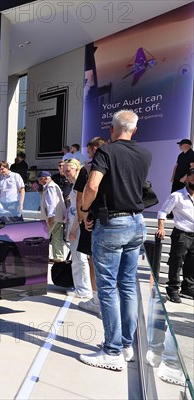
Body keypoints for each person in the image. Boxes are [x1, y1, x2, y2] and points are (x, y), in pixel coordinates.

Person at [79, 109, 152, 371]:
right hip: (137, 223)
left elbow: (93, 185)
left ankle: (111, 352)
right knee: (128, 286)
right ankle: (125, 345)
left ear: (112, 129)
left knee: (108, 287)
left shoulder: (106, 151)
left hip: (112, 224)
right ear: (134, 130)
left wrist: (86, 210)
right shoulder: (145, 154)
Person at [73, 136, 107, 315]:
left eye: (88, 150)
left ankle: (97, 300)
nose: (87, 153)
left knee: (93, 261)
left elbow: (81, 195)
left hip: (92, 219)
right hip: (112, 219)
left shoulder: (88, 168)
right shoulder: (114, 166)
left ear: (94, 149)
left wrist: (82, 217)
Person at [156, 167, 194, 302]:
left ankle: (188, 288)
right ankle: (172, 289)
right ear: (188, 178)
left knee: (192, 264)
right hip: (181, 234)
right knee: (176, 263)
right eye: (193, 176)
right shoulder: (177, 195)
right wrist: (161, 228)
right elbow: (163, 212)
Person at [63, 158, 92, 298]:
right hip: (75, 221)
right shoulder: (75, 186)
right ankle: (83, 287)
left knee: (78, 258)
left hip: (77, 223)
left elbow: (79, 210)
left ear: (76, 169)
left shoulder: (79, 187)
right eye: (65, 170)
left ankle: (83, 289)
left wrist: (73, 229)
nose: (66, 173)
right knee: (78, 258)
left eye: (68, 170)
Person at [38, 171, 66, 262]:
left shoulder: (50, 187)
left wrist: (51, 216)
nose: (39, 182)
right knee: (57, 238)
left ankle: (43, 256)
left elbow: (51, 203)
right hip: (58, 217)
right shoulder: (54, 186)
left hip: (51, 218)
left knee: (45, 238)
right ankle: (58, 257)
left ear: (46, 178)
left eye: (40, 179)